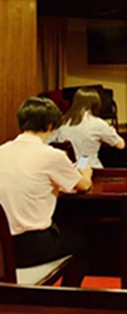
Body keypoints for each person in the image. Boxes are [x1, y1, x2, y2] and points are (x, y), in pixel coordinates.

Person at [0, 97, 93, 286]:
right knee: (86, 241)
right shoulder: (52, 156)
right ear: (51, 126)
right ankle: (65, 296)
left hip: (2, 248)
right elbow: (84, 185)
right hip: (30, 247)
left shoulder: (2, 150)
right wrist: (86, 171)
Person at [54, 88, 125, 168]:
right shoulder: (98, 124)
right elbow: (120, 145)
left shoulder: (62, 122)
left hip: (66, 168)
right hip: (88, 167)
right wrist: (113, 132)